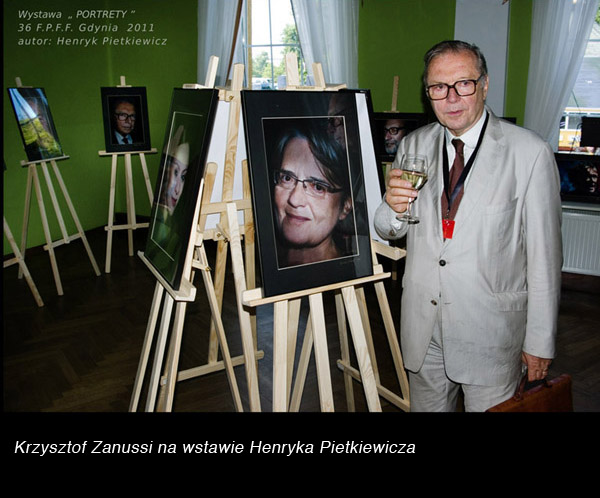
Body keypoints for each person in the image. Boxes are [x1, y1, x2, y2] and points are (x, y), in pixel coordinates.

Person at [374, 40, 563, 412]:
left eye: (463, 84)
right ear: (427, 92)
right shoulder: (413, 145)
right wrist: (393, 208)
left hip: (490, 334)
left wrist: (540, 343)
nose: (451, 98)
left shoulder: (529, 153)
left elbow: (545, 259)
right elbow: (389, 229)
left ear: (485, 85)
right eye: (438, 87)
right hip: (424, 330)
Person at [271, 124, 354, 268]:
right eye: (287, 178)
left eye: (318, 187)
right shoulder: (258, 268)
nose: (294, 200)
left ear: (345, 207)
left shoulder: (350, 275)